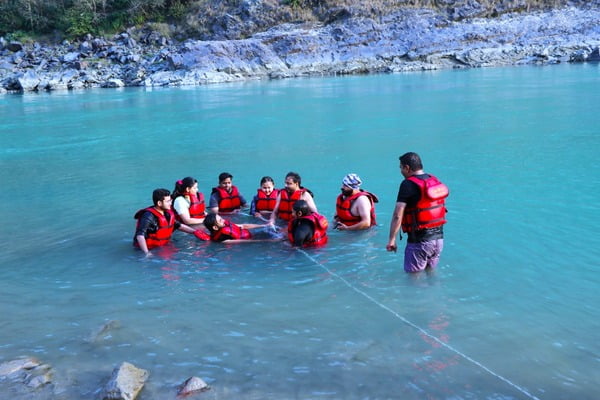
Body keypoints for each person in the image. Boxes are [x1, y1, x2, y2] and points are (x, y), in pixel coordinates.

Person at [386, 152, 449, 273]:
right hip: (438, 241)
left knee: (414, 281)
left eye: (401, 168)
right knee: (431, 275)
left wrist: (392, 239)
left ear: (407, 168)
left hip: (419, 242)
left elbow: (397, 215)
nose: (401, 171)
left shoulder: (407, 184)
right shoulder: (433, 180)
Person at [133, 188, 209, 255]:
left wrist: (194, 232)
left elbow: (178, 225)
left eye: (170, 200)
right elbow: (140, 235)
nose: (170, 203)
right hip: (148, 249)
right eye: (168, 201)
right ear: (159, 203)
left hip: (163, 246)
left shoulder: (167, 213)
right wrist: (146, 253)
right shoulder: (148, 216)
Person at [203, 213, 275, 243]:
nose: (223, 220)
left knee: (272, 230)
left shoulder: (225, 226)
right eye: (220, 220)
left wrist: (264, 225)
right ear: (215, 227)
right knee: (277, 237)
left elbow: (243, 226)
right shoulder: (223, 239)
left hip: (251, 235)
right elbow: (246, 242)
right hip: (251, 239)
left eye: (221, 218)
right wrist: (267, 241)